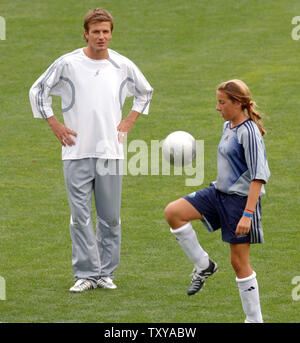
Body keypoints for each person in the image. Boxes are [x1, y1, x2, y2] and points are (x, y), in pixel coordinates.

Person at [29, 8, 153, 292]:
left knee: (109, 217)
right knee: (81, 216)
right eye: (95, 32)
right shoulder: (67, 64)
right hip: (75, 151)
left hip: (111, 152)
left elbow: (145, 92)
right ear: (85, 33)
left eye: (105, 32)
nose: (101, 37)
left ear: (111, 34)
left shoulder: (122, 65)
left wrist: (129, 120)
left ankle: (105, 273)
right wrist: (55, 125)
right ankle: (85, 274)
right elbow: (38, 90)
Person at [164, 79, 270, 323]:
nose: (217, 107)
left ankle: (254, 320)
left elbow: (258, 177)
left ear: (237, 103)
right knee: (174, 212)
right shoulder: (229, 126)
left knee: (239, 263)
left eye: (222, 103)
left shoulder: (250, 133)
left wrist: (248, 214)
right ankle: (204, 265)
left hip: (240, 202)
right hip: (217, 193)